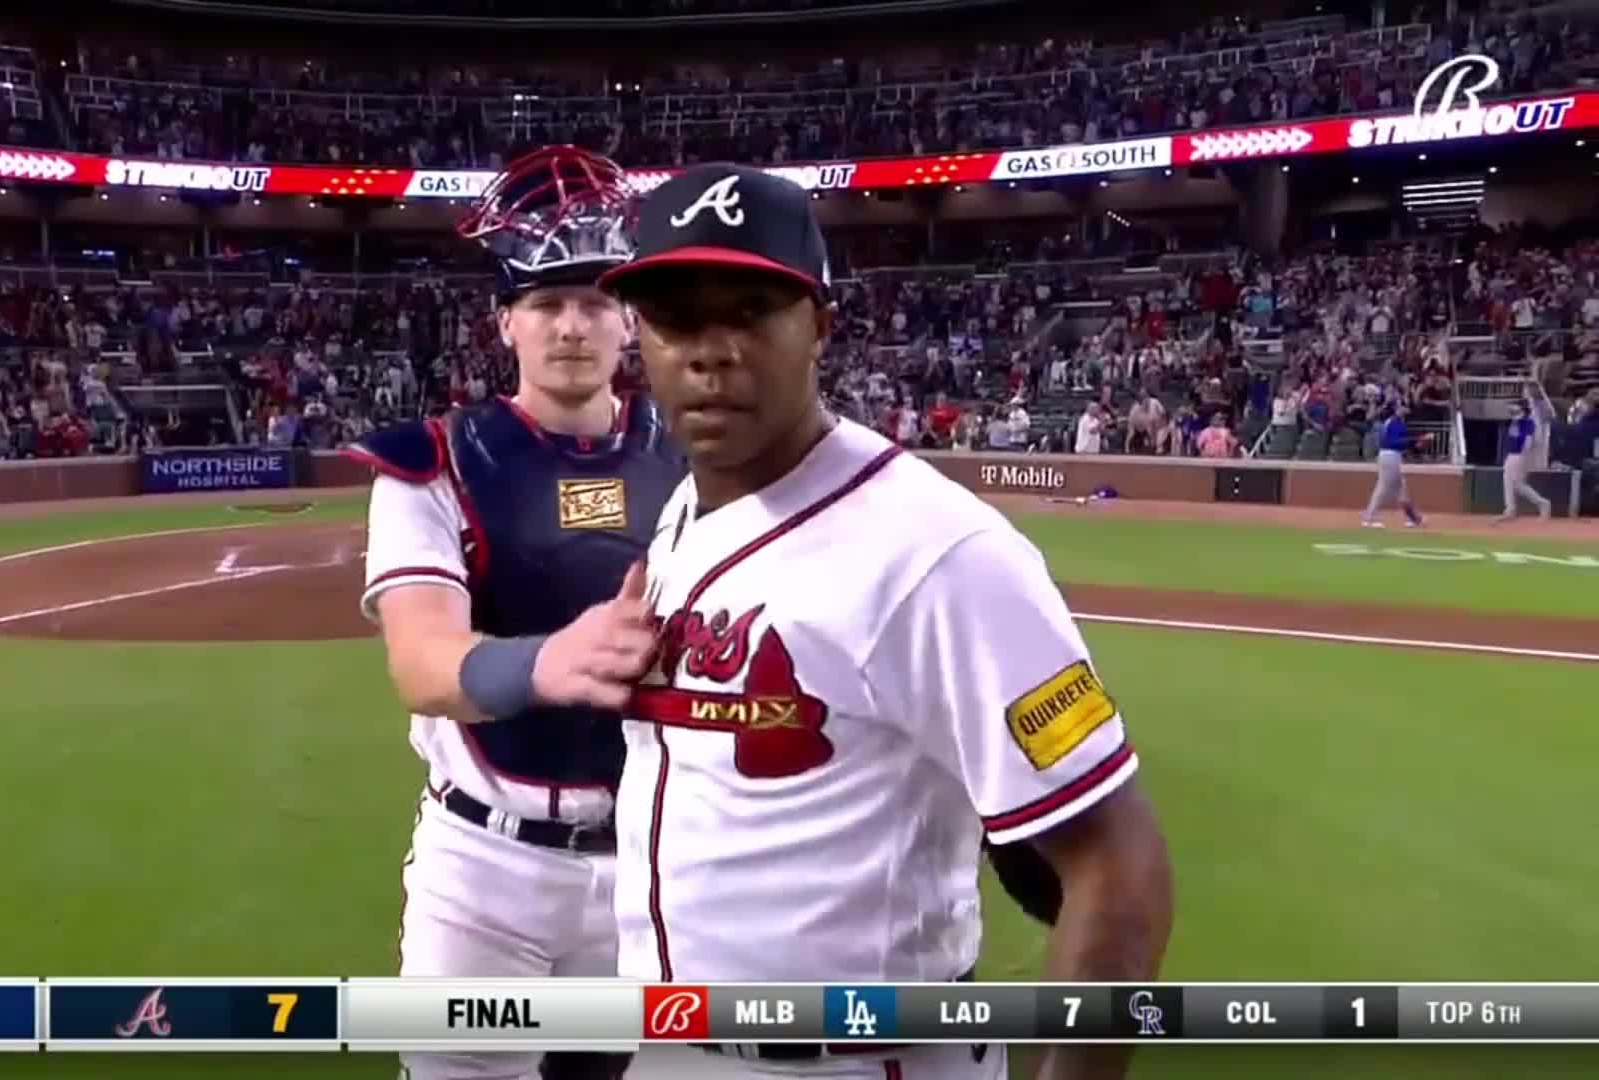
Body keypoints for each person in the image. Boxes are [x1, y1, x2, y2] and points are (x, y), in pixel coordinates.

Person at [595, 164, 1174, 1080]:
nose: (711, 351)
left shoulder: (938, 550)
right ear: (641, 341)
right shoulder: (683, 512)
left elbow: (1117, 864)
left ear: (822, 327)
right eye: (675, 318)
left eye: (750, 310)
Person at [347, 146, 682, 1080]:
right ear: (506, 322)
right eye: (544, 303)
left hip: (657, 864)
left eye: (593, 301)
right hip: (484, 877)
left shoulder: (701, 456)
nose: (570, 326)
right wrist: (547, 663)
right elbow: (421, 666)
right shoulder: (433, 462)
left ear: (628, 319)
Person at [1361, 400, 1423, 528]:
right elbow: (1395, 442)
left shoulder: (1393, 421)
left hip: (1390, 456)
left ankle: (1413, 518)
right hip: (1390, 456)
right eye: (1401, 406)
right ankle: (1369, 518)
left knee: (1401, 488)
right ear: (1395, 409)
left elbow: (1400, 443)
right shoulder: (1395, 422)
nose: (1405, 408)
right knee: (1384, 487)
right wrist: (1415, 440)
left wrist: (1415, 443)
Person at [1497, 399, 1552, 522]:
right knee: (1510, 481)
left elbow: (1529, 440)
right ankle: (1510, 509)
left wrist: (1524, 453)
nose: (1510, 408)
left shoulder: (1527, 422)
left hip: (1519, 455)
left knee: (1517, 483)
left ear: (1522, 408)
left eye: (1515, 406)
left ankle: (1542, 503)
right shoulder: (1515, 422)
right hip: (1512, 454)